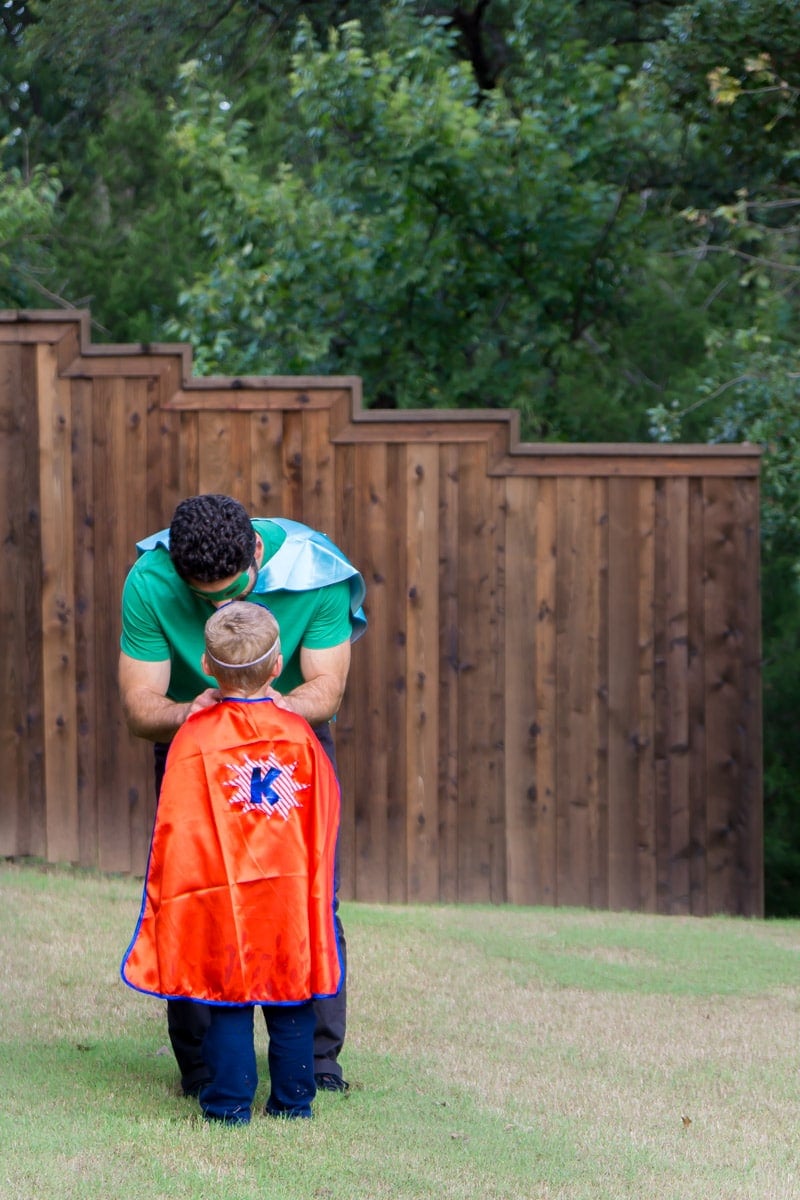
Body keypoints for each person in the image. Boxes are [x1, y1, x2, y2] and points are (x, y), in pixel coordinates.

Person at [118, 493, 366, 1096]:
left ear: (256, 551)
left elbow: (326, 689)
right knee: (192, 896)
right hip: (196, 744)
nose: (222, 608)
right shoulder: (150, 579)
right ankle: (204, 1070)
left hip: (293, 743)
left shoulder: (318, 569)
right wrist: (197, 711)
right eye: (206, 598)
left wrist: (273, 710)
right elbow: (139, 708)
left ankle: (318, 1063)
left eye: (233, 590)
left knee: (310, 896)